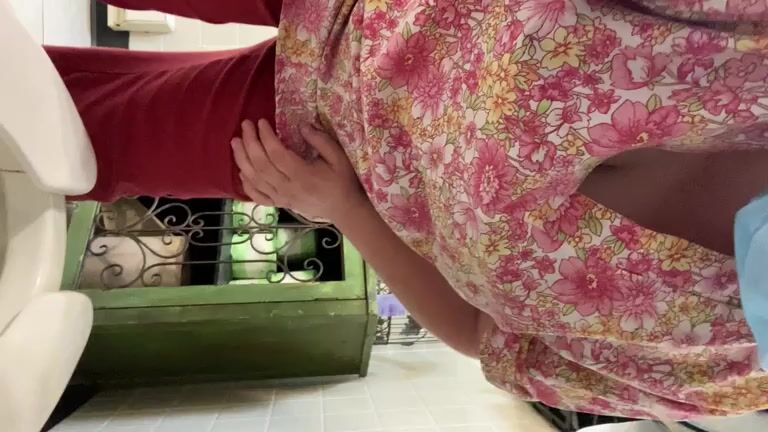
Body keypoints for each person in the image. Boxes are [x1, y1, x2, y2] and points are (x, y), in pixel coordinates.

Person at [50, 0, 768, 420]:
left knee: (67, 135)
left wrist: (340, 207)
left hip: (317, 152)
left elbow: (482, 336)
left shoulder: (725, 366)